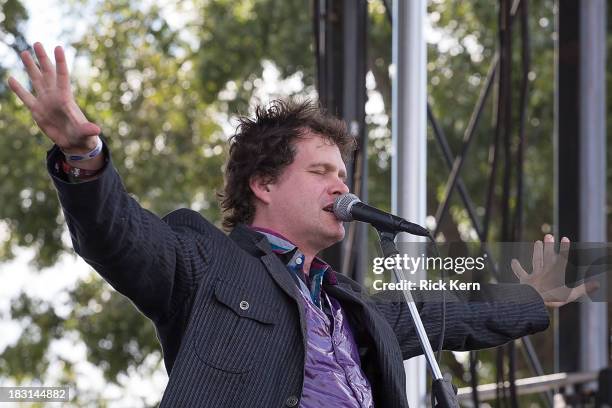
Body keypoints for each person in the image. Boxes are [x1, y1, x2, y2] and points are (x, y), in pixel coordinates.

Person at [8, 43, 595, 408]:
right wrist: (83, 156)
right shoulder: (207, 262)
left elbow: (452, 315)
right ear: (263, 184)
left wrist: (534, 299)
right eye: (320, 171)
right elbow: (120, 235)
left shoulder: (355, 308)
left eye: (343, 172)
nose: (343, 186)